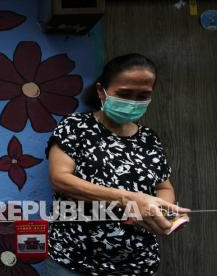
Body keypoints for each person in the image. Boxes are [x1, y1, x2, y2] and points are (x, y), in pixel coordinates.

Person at [45, 53, 190, 275]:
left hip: (138, 263)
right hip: (75, 260)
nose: (133, 102)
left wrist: (159, 211)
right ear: (101, 91)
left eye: (143, 95)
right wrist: (129, 199)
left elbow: (164, 187)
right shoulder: (75, 127)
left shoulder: (149, 139)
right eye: (124, 94)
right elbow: (60, 179)